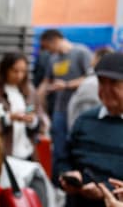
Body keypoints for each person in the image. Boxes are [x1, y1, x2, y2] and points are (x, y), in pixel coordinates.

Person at [57, 51, 123, 207]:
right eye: (102, 82)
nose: (106, 90)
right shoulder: (85, 121)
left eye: (114, 84)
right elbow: (63, 158)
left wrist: (104, 190)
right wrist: (67, 176)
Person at [38, 29, 93, 177]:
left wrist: (67, 85)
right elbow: (46, 81)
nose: (47, 51)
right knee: (59, 147)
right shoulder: (53, 59)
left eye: (47, 46)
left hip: (78, 109)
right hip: (59, 109)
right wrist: (37, 97)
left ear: (54, 40)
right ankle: (61, 180)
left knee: (76, 145)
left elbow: (91, 79)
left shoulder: (81, 53)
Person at [0, 52, 47, 160]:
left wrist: (32, 120)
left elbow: (39, 117)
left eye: (23, 71)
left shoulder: (30, 91)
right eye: (15, 71)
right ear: (5, 70)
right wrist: (9, 117)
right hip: (3, 152)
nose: (19, 75)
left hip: (27, 151)